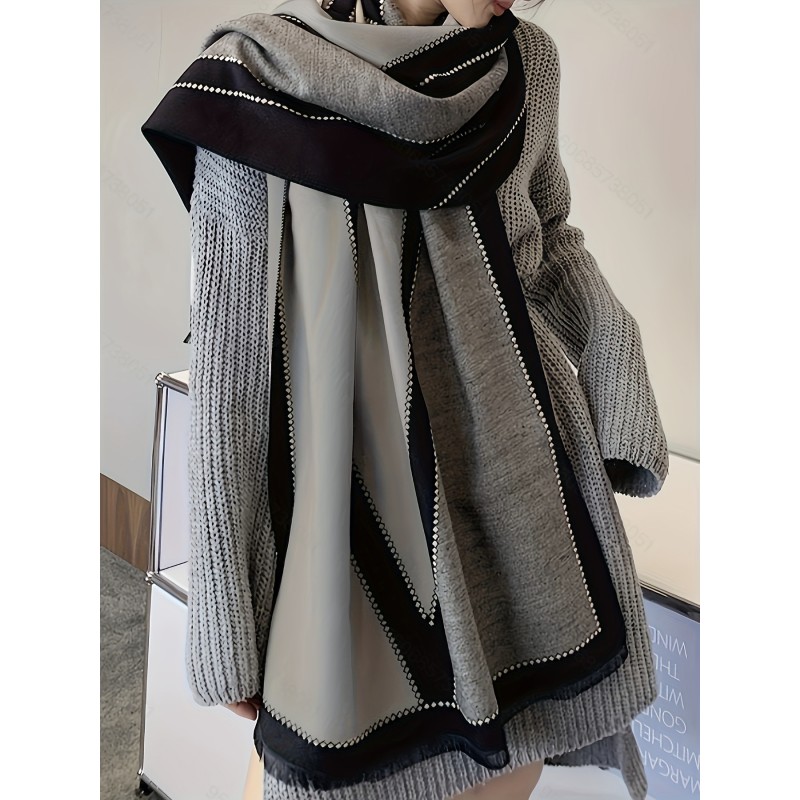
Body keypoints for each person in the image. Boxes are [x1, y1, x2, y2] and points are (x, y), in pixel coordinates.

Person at [141, 0, 668, 799]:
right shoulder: (256, 81)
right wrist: (225, 617)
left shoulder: (524, 63)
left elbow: (544, 239)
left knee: (515, 749)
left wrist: (616, 362)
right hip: (337, 525)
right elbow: (230, 359)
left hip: (516, 505)